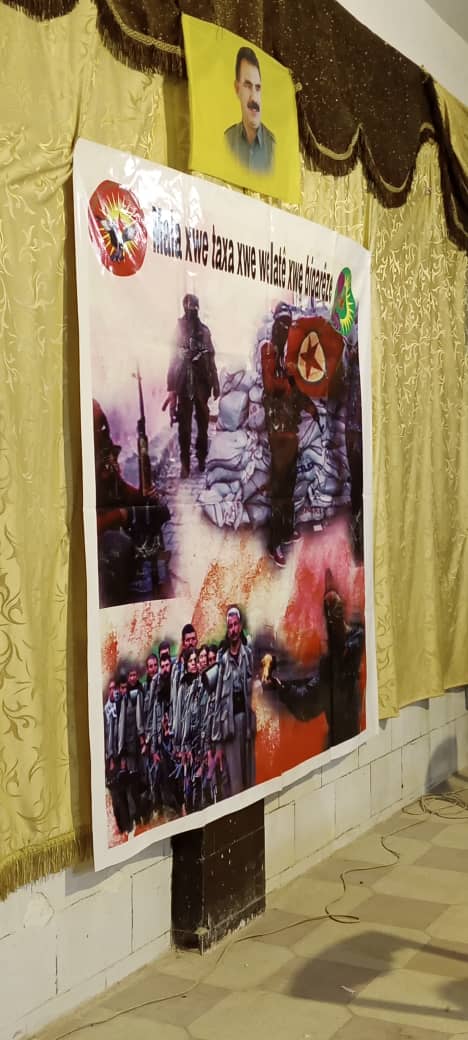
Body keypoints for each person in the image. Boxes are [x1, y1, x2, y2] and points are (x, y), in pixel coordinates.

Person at [93, 400, 170, 606]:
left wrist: (144, 496)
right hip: (100, 538)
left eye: (102, 426)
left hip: (116, 522)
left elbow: (121, 488)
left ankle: (159, 582)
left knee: (158, 511)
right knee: (120, 545)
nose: (102, 431)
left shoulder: (105, 452)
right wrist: (118, 516)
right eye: (97, 427)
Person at [261, 303, 317, 567]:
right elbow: (270, 385)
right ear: (275, 324)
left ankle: (285, 531)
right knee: (279, 490)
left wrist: (310, 407)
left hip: (291, 430)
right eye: (281, 323)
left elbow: (297, 390)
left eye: (288, 323)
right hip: (278, 430)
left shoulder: (288, 355)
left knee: (289, 486)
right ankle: (274, 544)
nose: (284, 328)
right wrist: (290, 381)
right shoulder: (269, 350)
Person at [166, 295, 219, 478]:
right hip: (183, 384)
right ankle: (185, 463)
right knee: (184, 427)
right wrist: (171, 388)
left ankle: (202, 458)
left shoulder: (204, 331)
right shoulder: (178, 330)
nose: (192, 310)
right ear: (184, 307)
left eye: (194, 307)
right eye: (189, 307)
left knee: (203, 424)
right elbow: (172, 360)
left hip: (202, 384)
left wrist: (215, 383)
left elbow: (211, 358)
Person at [212, 606, 256, 796]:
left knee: (252, 780)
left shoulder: (249, 656)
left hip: (248, 725)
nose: (233, 630)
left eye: (236, 625)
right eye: (230, 626)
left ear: (241, 626)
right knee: (236, 784)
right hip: (230, 727)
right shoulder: (222, 662)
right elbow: (217, 703)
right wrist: (218, 745)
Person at [224, 47, 275, 174]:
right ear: (237, 89)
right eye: (247, 86)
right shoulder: (227, 139)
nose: (254, 98)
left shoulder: (274, 146)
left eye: (257, 88)